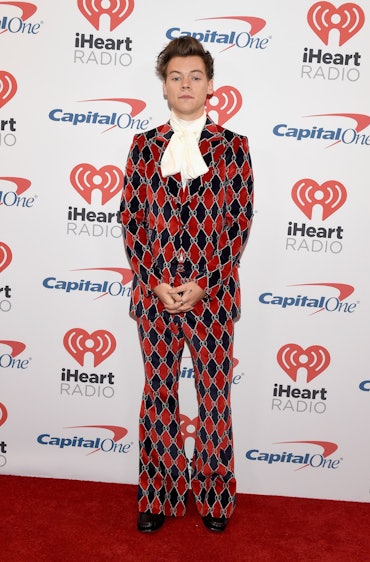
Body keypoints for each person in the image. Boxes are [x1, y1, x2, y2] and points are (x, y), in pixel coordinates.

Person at [120, 36, 254, 533]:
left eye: (195, 76)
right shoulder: (144, 146)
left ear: (210, 86)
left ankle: (216, 499)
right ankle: (158, 495)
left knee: (215, 397)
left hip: (213, 298)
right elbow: (131, 219)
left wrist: (204, 283)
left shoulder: (233, 148)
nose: (185, 84)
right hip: (154, 298)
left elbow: (238, 224)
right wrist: (155, 282)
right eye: (175, 76)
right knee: (159, 395)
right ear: (164, 86)